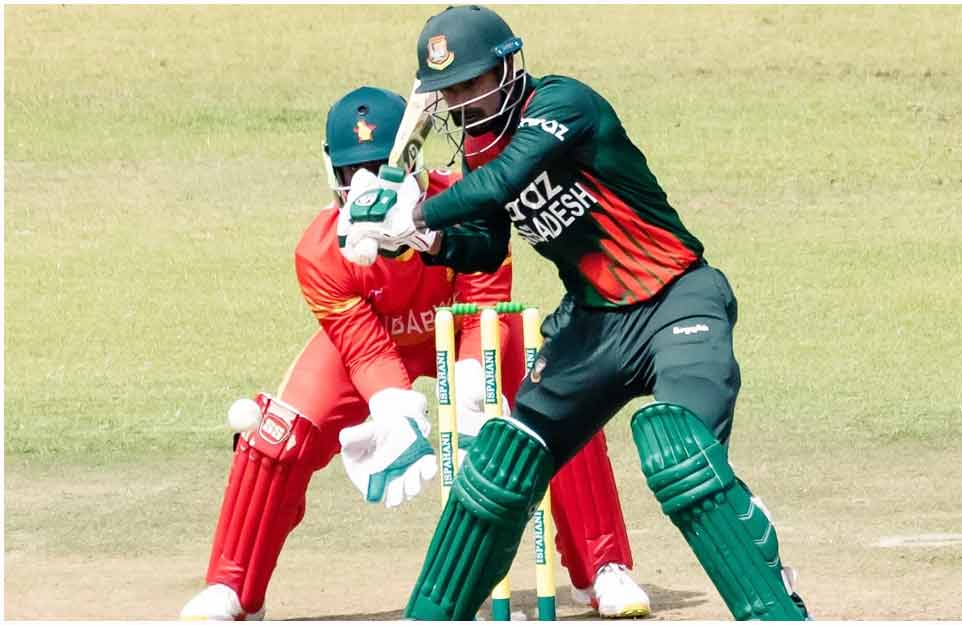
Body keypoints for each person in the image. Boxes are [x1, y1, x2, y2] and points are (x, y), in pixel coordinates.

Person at [340, 6, 812, 621]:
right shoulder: (479, 152)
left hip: (676, 300)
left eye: (471, 83)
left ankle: (770, 589)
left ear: (508, 68)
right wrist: (421, 239)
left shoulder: (564, 105)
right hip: (593, 327)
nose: (461, 103)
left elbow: (508, 178)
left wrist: (417, 210)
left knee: (684, 454)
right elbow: (485, 246)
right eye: (449, 92)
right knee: (501, 465)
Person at [180, 85, 650, 620]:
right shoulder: (320, 252)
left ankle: (603, 568)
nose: (365, 184)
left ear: (410, 162)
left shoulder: (467, 204)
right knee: (278, 434)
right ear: (331, 173)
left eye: (379, 167)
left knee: (562, 398)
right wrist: (394, 410)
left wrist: (473, 386)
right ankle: (233, 587)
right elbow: (361, 347)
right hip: (377, 343)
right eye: (351, 172)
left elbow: (484, 304)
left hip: (470, 329)